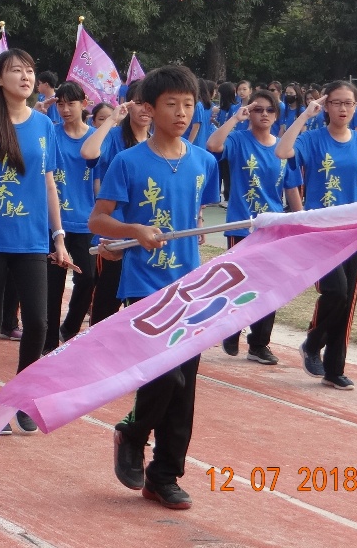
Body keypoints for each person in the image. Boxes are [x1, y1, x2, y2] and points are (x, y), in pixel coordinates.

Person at [89, 65, 220, 510]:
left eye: (188, 104)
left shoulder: (204, 162)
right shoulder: (127, 162)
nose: (182, 112)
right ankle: (133, 431)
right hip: (144, 284)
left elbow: (195, 215)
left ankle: (164, 476)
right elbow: (98, 219)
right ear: (148, 108)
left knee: (185, 387)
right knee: (165, 374)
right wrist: (132, 231)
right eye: (172, 104)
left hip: (190, 287)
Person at [0, 49, 71, 435]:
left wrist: (59, 237)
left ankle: (23, 395)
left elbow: (49, 184)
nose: (26, 77)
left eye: (29, 70)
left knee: (39, 322)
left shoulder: (44, 125)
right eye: (16, 71)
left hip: (31, 241)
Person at [276, 80, 357, 390]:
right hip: (320, 233)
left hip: (353, 234)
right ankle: (312, 343)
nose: (343, 108)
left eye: (349, 103)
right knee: (336, 291)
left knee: (347, 303)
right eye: (336, 102)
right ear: (326, 106)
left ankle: (334, 370)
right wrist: (305, 115)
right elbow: (282, 150)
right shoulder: (312, 139)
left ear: (356, 107)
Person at [207, 89, 303, 364]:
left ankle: (259, 344)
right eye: (257, 109)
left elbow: (291, 187)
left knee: (270, 286)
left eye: (269, 110)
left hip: (273, 226)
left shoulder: (283, 147)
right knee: (240, 283)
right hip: (242, 224)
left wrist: (301, 221)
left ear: (277, 114)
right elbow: (213, 146)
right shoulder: (238, 140)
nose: (263, 114)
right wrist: (235, 119)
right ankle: (231, 327)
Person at [79, 83, 150, 327]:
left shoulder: (157, 142)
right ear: (127, 104)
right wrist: (111, 120)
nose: (144, 109)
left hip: (145, 234)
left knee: (142, 309)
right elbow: (88, 152)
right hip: (114, 234)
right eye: (138, 103)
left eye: (149, 103)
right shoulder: (115, 137)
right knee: (106, 305)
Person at [43, 82, 98, 351]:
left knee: (88, 278)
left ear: (84, 104)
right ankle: (48, 342)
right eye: (60, 104)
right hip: (55, 220)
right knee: (52, 286)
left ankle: (70, 328)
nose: (65, 109)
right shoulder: (51, 133)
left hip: (86, 220)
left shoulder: (96, 137)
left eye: (71, 104)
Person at [185, 79, 213, 149]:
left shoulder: (197, 105)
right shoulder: (203, 105)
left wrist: (189, 144)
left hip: (194, 143)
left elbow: (196, 126)